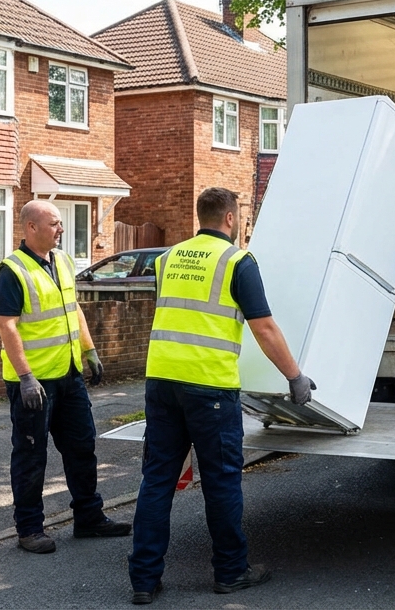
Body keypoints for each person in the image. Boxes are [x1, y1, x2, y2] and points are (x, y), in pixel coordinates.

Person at [128, 187, 316, 603]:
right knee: (221, 481)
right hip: (209, 387)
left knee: (157, 480)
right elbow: (263, 327)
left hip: (161, 381)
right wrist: (295, 376)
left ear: (202, 216)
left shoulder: (167, 258)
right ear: (230, 218)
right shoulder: (237, 261)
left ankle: (143, 580)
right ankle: (230, 572)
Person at [0, 199, 131, 555]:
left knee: (82, 447)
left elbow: (73, 309)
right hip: (34, 382)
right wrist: (25, 377)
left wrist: (90, 350)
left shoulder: (63, 261)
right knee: (31, 455)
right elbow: (7, 325)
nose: (61, 229)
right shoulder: (13, 270)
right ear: (31, 228)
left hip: (69, 374)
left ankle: (89, 517)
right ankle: (29, 529)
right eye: (54, 223)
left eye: (60, 224)